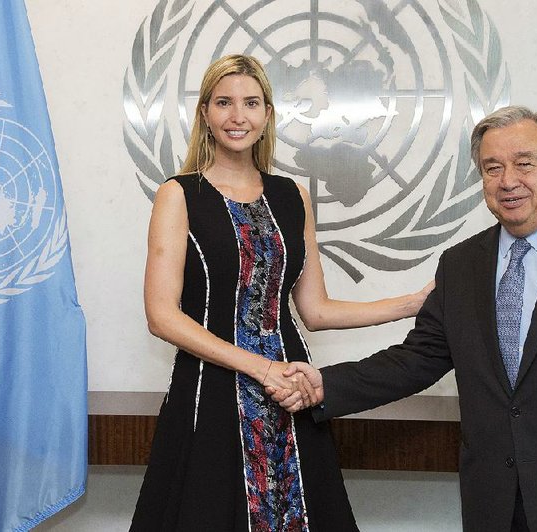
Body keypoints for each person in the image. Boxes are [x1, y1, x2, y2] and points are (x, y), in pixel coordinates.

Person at [273, 106, 537, 531]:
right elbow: (415, 360)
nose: (508, 181)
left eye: (524, 164)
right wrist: (325, 385)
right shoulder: (461, 265)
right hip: (496, 503)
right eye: (493, 168)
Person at [131, 54, 431, 531]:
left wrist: (413, 303)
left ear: (267, 114)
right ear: (205, 114)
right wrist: (262, 367)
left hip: (292, 395)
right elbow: (161, 316)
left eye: (251, 103)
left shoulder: (293, 196)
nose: (238, 116)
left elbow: (315, 310)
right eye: (224, 103)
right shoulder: (179, 193)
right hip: (211, 392)